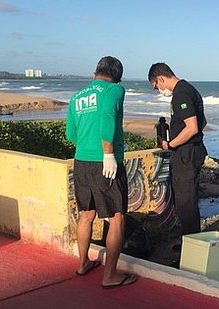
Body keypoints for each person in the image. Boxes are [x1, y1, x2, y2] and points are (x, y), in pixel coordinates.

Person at [66, 56, 136, 288]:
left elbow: (71, 135)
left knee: (86, 215)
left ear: (95, 72)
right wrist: (107, 154)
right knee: (117, 219)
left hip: (81, 162)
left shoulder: (77, 97)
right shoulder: (114, 90)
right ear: (117, 77)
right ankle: (110, 276)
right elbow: (108, 118)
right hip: (106, 163)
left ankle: (83, 263)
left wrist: (87, 146)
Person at [148, 63, 207, 236]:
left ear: (161, 79)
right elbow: (203, 122)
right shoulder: (190, 89)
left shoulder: (181, 93)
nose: (159, 90)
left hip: (186, 154)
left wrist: (170, 144)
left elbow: (192, 128)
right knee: (186, 200)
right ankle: (188, 241)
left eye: (156, 86)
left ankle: (191, 246)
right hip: (192, 151)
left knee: (185, 203)